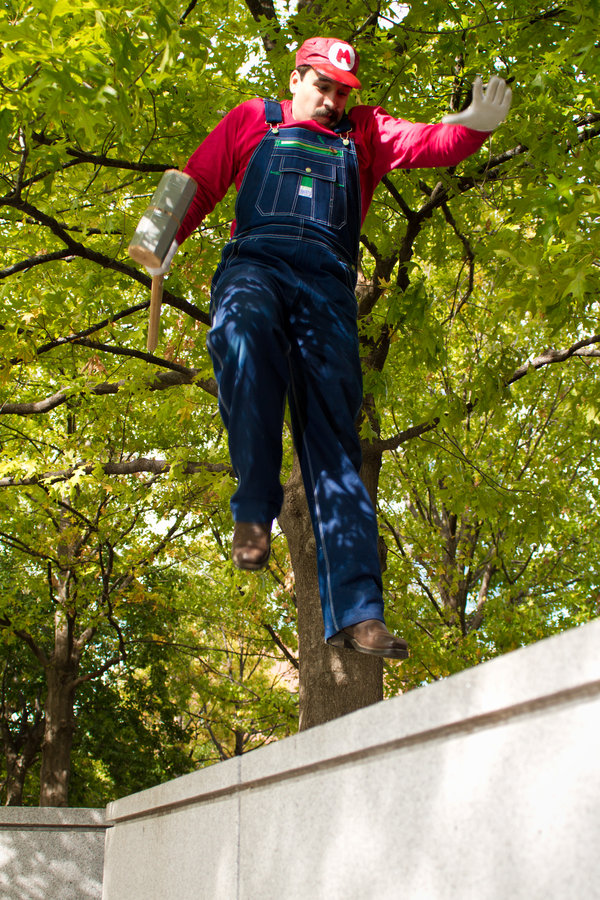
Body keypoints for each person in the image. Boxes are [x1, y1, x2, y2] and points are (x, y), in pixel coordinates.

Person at [148, 37, 512, 660]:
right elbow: (197, 180)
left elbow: (430, 141)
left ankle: (358, 610)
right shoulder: (251, 119)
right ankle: (254, 508)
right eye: (323, 86)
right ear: (296, 79)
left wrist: (472, 131)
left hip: (326, 287)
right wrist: (156, 235)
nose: (333, 100)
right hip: (255, 265)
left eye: (344, 91)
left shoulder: (364, 132)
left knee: (335, 441)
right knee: (240, 332)